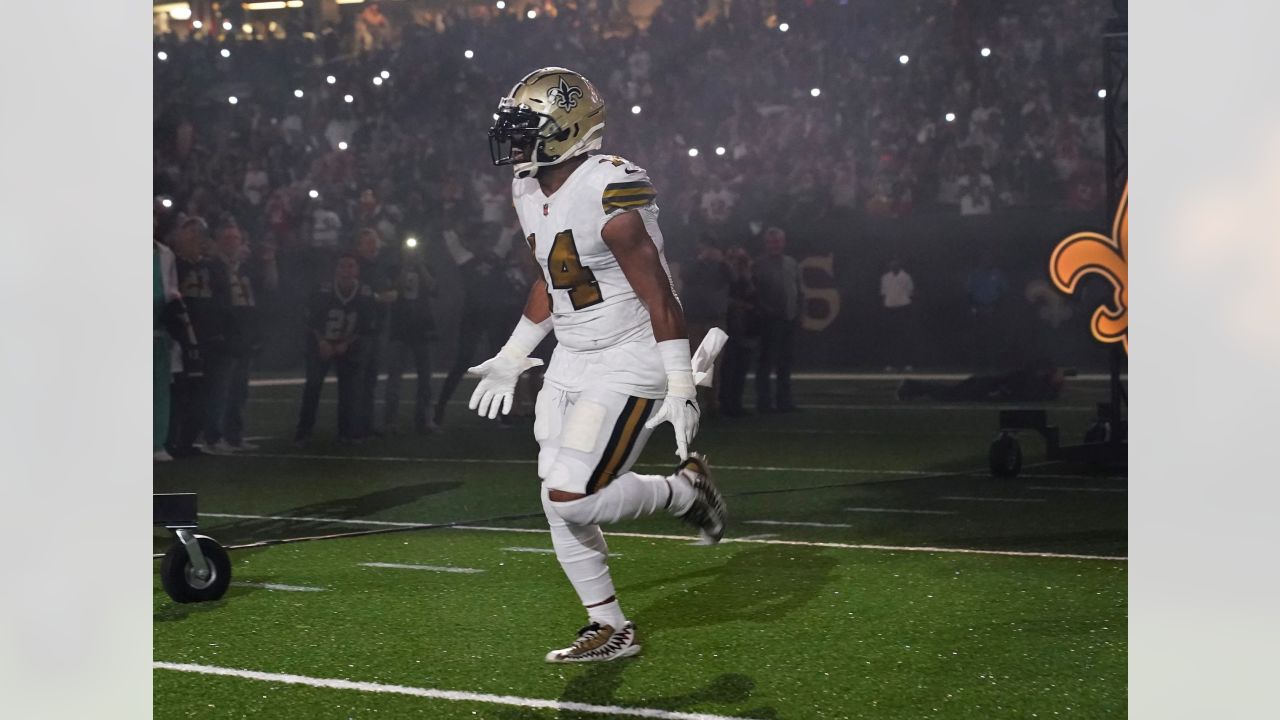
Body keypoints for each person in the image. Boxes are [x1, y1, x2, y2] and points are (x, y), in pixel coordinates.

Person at [475, 67, 727, 663]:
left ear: (567, 130)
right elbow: (555, 280)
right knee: (554, 495)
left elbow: (660, 295)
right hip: (573, 357)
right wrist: (515, 354)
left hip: (626, 355)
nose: (515, 141)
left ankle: (684, 493)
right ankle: (610, 626)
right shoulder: (526, 187)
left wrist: (681, 382)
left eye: (527, 127)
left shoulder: (609, 190)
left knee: (572, 494)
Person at [432, 221, 522, 428]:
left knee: (497, 366)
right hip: (476, 317)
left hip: (491, 316)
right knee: (463, 362)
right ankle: (439, 410)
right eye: (479, 239)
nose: (483, 243)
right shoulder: (470, 259)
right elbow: (450, 236)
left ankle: (503, 414)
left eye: (485, 239)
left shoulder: (489, 257)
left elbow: (508, 232)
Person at [204, 222, 278, 452]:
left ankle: (233, 435)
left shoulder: (246, 268)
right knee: (220, 387)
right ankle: (213, 437)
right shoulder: (212, 267)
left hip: (244, 333)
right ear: (217, 242)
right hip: (225, 333)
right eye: (227, 239)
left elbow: (270, 286)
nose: (232, 243)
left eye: (235, 238)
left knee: (239, 388)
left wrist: (269, 261)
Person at [296, 254, 376, 443]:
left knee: (349, 390)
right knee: (313, 385)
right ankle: (304, 430)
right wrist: (322, 341)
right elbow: (310, 319)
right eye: (342, 266)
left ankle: (346, 431)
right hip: (321, 343)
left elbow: (366, 325)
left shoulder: (365, 293)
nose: (346, 271)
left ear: (357, 270)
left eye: (350, 266)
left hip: (347, 345)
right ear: (335, 269)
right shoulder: (322, 290)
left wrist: (346, 343)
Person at [383, 239, 439, 434]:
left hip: (422, 328)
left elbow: (433, 288)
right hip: (399, 328)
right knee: (394, 379)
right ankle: (390, 421)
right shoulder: (394, 269)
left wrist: (420, 265)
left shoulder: (428, 267)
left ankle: (425, 420)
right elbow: (391, 290)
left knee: (426, 378)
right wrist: (405, 267)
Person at [681, 234, 732, 417]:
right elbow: (686, 276)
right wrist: (701, 261)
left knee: (714, 366)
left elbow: (733, 280)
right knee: (695, 365)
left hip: (715, 319)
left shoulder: (722, 266)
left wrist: (723, 262)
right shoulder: (690, 262)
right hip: (694, 320)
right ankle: (691, 404)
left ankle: (712, 404)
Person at [752, 227, 802, 412]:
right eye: (772, 241)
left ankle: (784, 401)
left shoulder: (792, 263)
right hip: (768, 320)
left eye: (778, 241)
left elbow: (798, 289)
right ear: (766, 244)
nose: (775, 245)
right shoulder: (758, 264)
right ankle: (764, 402)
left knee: (785, 363)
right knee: (765, 363)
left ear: (784, 242)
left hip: (788, 319)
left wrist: (798, 313)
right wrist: (765, 310)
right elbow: (754, 293)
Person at [354, 227, 397, 437]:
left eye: (375, 242)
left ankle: (367, 422)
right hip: (359, 329)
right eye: (369, 243)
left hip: (376, 327)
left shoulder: (379, 266)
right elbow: (357, 294)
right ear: (360, 245)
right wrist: (380, 298)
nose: (373, 246)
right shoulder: (356, 267)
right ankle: (355, 424)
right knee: (358, 379)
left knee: (370, 379)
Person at [718, 246, 756, 416]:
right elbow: (723, 298)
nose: (737, 262)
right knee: (728, 367)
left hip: (745, 326)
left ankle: (735, 402)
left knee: (741, 366)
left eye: (740, 259)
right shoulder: (725, 276)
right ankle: (725, 402)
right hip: (728, 325)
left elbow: (753, 295)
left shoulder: (747, 277)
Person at [879, 259, 915, 372]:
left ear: (900, 265)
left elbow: (910, 292)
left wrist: (901, 301)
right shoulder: (885, 277)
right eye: (891, 264)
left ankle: (907, 364)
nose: (893, 266)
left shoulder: (906, 277)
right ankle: (890, 364)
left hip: (903, 309)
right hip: (889, 310)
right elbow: (883, 293)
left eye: (896, 264)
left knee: (905, 336)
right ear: (889, 265)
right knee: (890, 337)